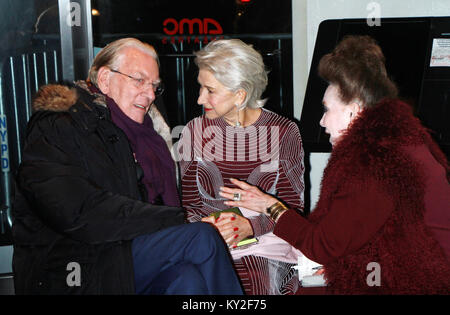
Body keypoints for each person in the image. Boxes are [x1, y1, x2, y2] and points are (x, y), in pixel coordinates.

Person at [218, 35, 450, 294]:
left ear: (355, 110)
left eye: (327, 109)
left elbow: (324, 245)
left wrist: (269, 206)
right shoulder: (399, 141)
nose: (322, 121)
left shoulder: (375, 161)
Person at [12, 38, 243, 295]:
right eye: (139, 80)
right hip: (73, 265)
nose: (151, 94)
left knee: (186, 279)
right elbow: (75, 211)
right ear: (105, 79)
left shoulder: (149, 133)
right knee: (202, 239)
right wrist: (175, 219)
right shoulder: (59, 125)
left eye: (155, 85)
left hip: (125, 250)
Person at [176, 39, 305, 295]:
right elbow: (187, 204)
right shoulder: (193, 131)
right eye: (200, 87)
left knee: (255, 282)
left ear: (240, 95)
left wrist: (250, 226)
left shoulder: (284, 132)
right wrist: (208, 228)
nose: (200, 98)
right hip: (208, 240)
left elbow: (294, 207)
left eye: (210, 90)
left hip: (265, 244)